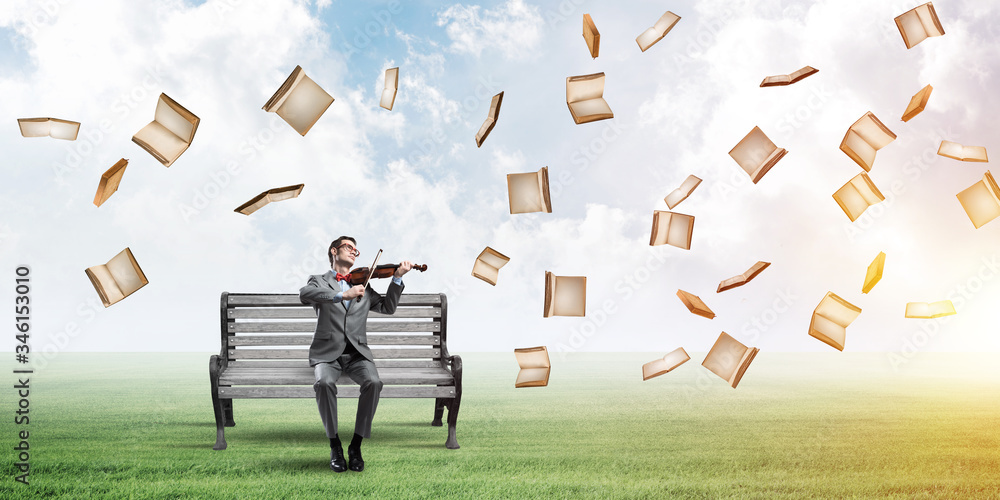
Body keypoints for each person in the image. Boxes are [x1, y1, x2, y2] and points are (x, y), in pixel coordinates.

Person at [299, 236, 413, 472]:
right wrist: (342, 295)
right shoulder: (319, 281)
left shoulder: (365, 285)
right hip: (327, 353)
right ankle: (334, 445)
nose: (354, 251)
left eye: (356, 250)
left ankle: (356, 445)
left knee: (374, 382)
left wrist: (397, 277)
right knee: (323, 383)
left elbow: (388, 308)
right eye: (349, 247)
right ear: (334, 251)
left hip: (357, 353)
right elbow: (305, 294)